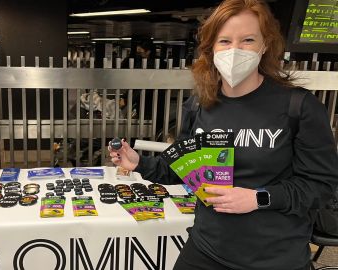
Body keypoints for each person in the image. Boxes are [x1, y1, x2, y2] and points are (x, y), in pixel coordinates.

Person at [108, 0, 338, 269]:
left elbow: (321, 187)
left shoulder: (299, 107)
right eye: (225, 41)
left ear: (265, 45)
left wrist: (258, 198)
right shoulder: (200, 104)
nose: (235, 50)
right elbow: (185, 168)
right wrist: (137, 163)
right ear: (211, 48)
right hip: (206, 250)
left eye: (248, 40)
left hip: (273, 258)